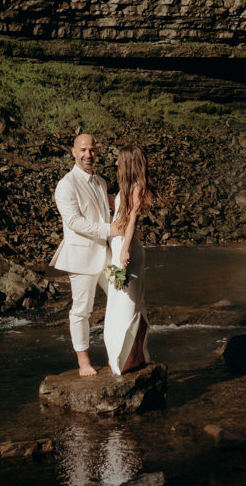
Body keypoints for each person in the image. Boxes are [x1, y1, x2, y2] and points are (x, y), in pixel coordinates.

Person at [51, 133, 122, 377]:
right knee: (82, 310)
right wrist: (109, 229)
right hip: (81, 257)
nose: (87, 154)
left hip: (106, 255)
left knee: (122, 299)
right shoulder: (66, 185)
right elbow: (74, 222)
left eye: (91, 150)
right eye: (82, 150)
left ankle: (121, 354)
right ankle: (83, 362)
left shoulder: (101, 182)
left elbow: (107, 214)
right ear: (73, 152)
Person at [104, 145, 155, 375]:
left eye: (118, 161)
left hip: (127, 249)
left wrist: (124, 250)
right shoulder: (130, 188)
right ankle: (134, 355)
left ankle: (123, 359)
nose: (115, 164)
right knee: (124, 301)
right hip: (122, 247)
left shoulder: (136, 187)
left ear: (127, 163)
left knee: (124, 303)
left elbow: (132, 219)